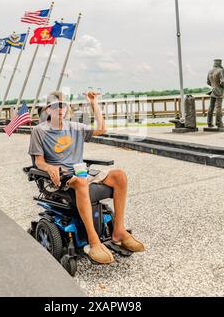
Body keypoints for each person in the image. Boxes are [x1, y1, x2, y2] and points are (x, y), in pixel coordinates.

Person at [28, 90, 145, 264]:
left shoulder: (75, 127)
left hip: (79, 172)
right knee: (82, 182)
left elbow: (101, 129)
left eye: (63, 105)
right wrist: (49, 167)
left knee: (119, 176)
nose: (60, 109)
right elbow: (39, 162)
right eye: (55, 106)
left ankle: (118, 230)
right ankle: (93, 241)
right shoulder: (39, 131)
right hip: (57, 179)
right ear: (48, 109)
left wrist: (93, 103)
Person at [207, 59, 224, 128]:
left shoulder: (210, 71)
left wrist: (213, 85)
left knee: (211, 106)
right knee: (218, 107)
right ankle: (219, 123)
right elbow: (223, 81)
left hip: (212, 90)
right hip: (218, 90)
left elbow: (208, 82)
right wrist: (222, 86)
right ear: (219, 63)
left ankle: (209, 123)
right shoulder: (220, 70)